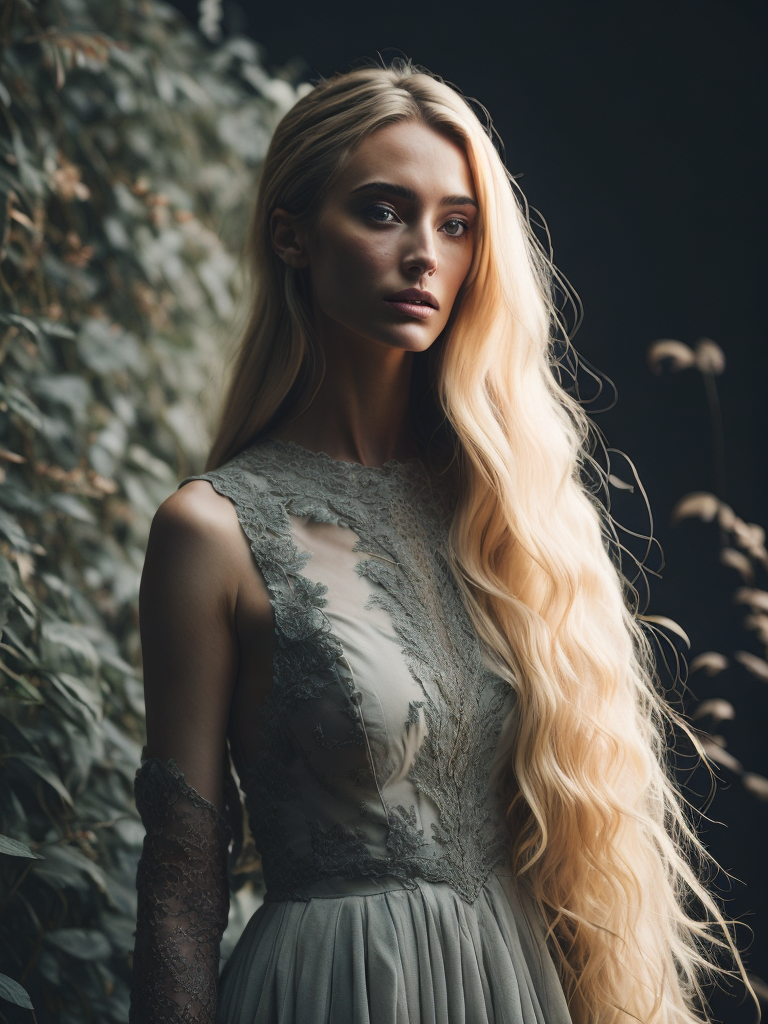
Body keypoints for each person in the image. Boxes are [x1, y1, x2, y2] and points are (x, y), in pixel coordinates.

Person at [129, 62, 754, 1024]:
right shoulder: (209, 530)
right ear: (290, 235)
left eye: (456, 224)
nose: (425, 253)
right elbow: (179, 883)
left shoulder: (514, 517)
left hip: (519, 988)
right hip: (333, 991)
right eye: (383, 211)